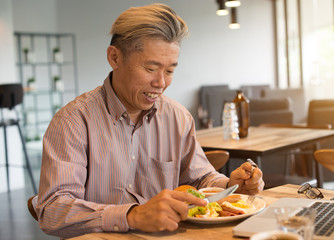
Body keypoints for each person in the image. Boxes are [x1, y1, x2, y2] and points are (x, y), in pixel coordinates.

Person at [36, 3, 264, 238]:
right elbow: (52, 210)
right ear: (114, 57)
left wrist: (230, 186)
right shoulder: (73, 121)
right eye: (150, 68)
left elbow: (199, 178)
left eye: (169, 71)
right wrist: (132, 215)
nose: (161, 83)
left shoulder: (177, 117)